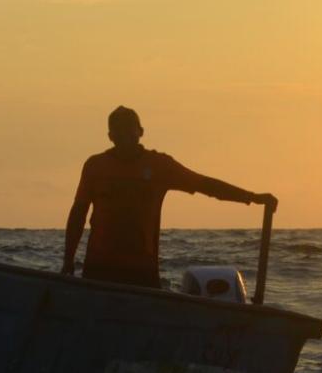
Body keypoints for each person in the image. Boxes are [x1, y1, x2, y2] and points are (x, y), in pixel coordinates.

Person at [61, 106, 274, 289]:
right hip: (100, 267)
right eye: (118, 130)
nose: (124, 135)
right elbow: (78, 213)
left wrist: (251, 197)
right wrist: (68, 260)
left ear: (140, 132)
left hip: (141, 270)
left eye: (129, 129)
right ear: (110, 135)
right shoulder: (95, 166)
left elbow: (204, 184)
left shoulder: (160, 166)